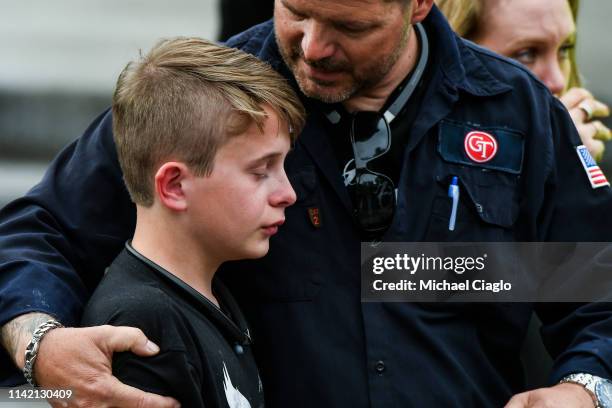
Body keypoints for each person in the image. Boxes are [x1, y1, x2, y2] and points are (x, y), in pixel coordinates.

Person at [2, 1, 612, 407]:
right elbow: (37, 231)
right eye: (296, 11)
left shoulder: (518, 111)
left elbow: (593, 290)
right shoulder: (209, 102)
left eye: (350, 27)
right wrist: (40, 346)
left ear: (420, 5)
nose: (313, 47)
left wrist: (585, 387)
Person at [79, 36, 304, 408]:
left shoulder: (211, 296)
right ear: (175, 185)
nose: (288, 193)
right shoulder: (141, 326)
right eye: (261, 170)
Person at [436, 0, 612, 161]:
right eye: (527, 54)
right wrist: (554, 163)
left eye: (564, 49)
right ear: (458, 55)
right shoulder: (419, 163)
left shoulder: (589, 144)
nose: (558, 81)